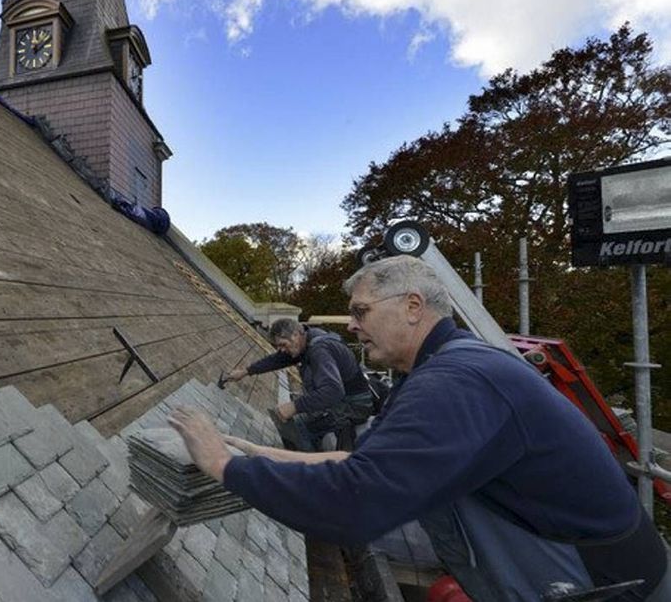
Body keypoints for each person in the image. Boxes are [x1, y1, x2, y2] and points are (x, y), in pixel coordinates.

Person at [170, 255, 669, 600]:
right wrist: (256, 451)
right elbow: (359, 463)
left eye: (361, 312)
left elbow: (356, 500)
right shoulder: (438, 372)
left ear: (413, 307)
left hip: (605, 587)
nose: (352, 325)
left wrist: (220, 464)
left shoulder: (458, 381)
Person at [224, 318, 372, 451]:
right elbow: (278, 359)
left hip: (354, 406)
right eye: (278, 346)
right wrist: (246, 371)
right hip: (342, 402)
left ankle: (310, 471)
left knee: (299, 427)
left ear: (295, 335)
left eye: (283, 344)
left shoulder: (319, 350)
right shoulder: (307, 341)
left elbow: (332, 391)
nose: (281, 349)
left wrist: (294, 406)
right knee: (302, 420)